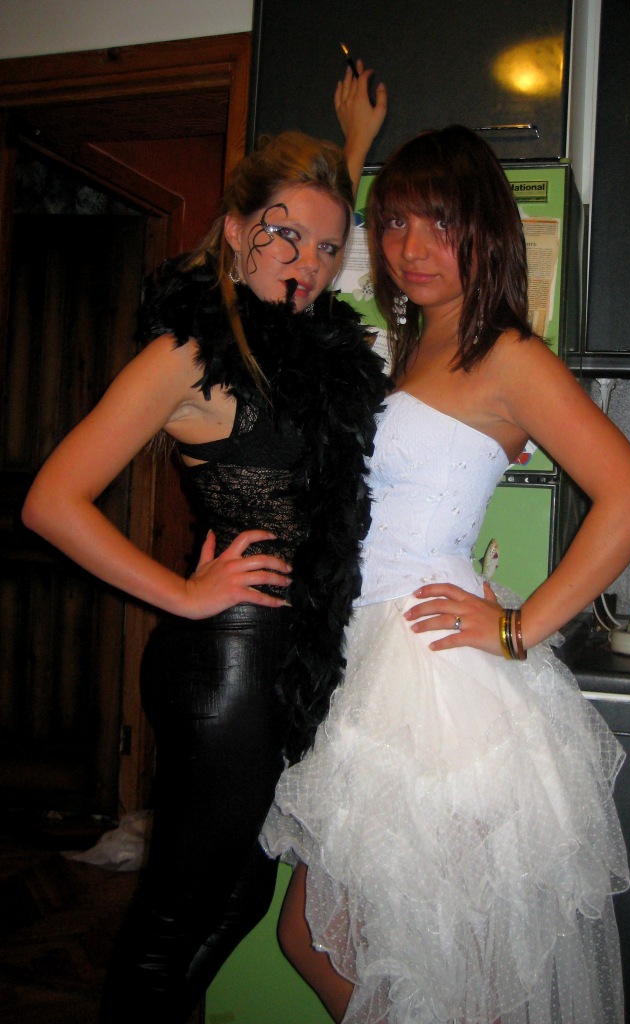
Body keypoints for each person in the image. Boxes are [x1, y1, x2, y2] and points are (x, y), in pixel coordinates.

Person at [261, 125, 630, 1024]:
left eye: (438, 223)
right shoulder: (405, 349)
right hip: (366, 661)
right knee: (336, 943)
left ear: (485, 230)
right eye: (395, 223)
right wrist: (353, 145)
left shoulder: (509, 355)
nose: (411, 247)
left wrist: (519, 629)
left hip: (432, 678)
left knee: (440, 964)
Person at [21, 64, 388, 1024]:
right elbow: (51, 500)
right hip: (223, 662)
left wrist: (350, 146)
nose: (307, 262)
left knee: (242, 898)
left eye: (328, 247)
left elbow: (310, 226)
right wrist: (182, 593)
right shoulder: (187, 354)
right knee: (177, 911)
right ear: (232, 229)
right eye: (281, 234)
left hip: (289, 659)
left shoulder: (296, 337)